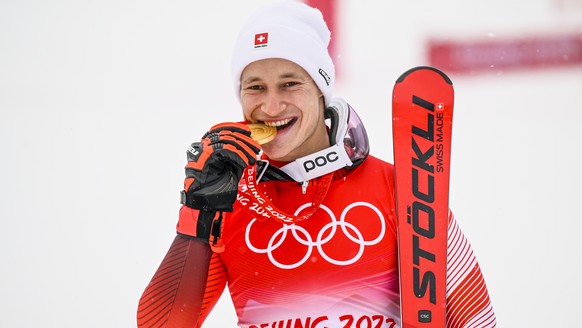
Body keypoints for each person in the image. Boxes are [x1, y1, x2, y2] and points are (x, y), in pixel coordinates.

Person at [137, 2, 497, 327]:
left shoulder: (401, 189)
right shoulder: (230, 204)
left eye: (290, 84)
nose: (272, 106)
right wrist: (197, 216)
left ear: (321, 90)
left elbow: (477, 318)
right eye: (255, 87)